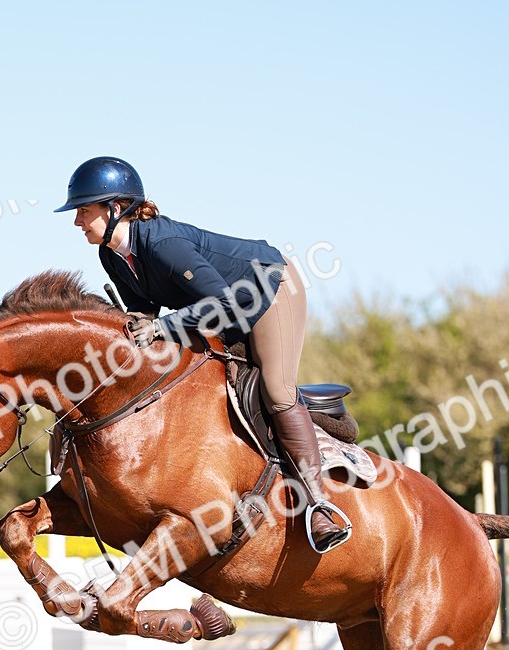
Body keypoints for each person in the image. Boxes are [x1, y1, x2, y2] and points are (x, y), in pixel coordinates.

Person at [55, 156, 350, 553]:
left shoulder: (163, 244)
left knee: (275, 388)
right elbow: (145, 311)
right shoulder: (111, 254)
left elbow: (223, 304)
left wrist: (160, 328)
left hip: (265, 291)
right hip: (218, 307)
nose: (77, 222)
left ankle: (319, 504)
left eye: (83, 211)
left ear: (114, 208)